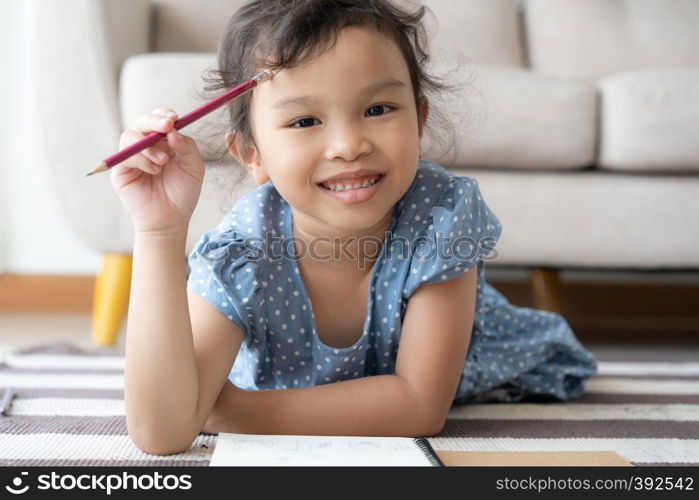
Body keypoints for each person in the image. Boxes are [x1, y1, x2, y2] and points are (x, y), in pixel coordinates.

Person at [110, 0, 597, 456]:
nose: (348, 145)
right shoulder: (242, 252)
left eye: (379, 110)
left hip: (471, 359)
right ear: (251, 155)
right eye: (304, 120)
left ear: (419, 119)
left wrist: (219, 408)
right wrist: (159, 232)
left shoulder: (441, 214)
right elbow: (162, 433)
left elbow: (419, 406)